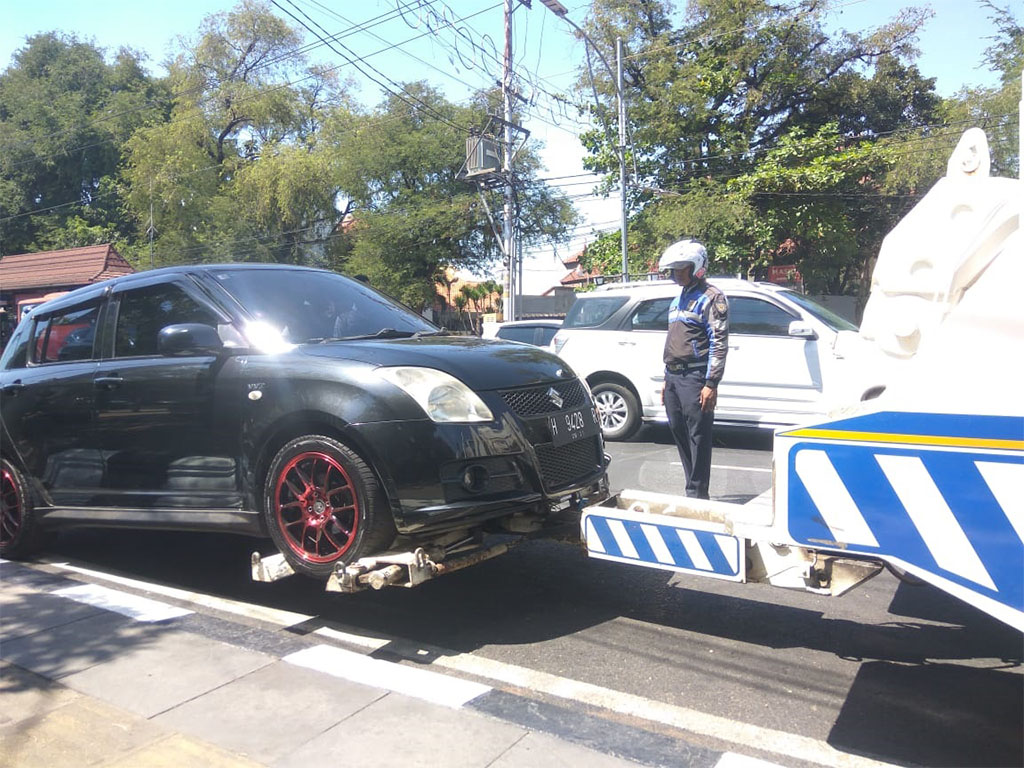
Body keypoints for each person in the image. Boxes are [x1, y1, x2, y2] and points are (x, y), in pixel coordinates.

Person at [660, 239, 729, 499]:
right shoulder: (679, 299)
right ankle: (691, 486)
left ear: (696, 266)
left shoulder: (712, 297)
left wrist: (711, 383)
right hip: (674, 376)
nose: (677, 273)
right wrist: (666, 379)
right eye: (674, 269)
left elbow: (719, 342)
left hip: (695, 376)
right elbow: (674, 341)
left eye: (682, 268)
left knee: (698, 435)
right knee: (678, 429)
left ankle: (698, 493)